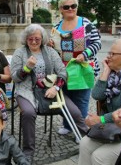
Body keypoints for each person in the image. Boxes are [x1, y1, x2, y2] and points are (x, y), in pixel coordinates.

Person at [11, 24, 87, 163]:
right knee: (28, 113)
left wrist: (56, 88)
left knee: (75, 112)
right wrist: (26, 68)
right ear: (26, 39)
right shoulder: (19, 53)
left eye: (37, 39)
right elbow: (15, 78)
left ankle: (89, 140)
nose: (34, 42)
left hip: (50, 90)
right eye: (30, 39)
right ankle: (28, 152)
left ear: (42, 39)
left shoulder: (51, 52)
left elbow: (62, 72)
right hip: (26, 90)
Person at [79, 39, 121, 165]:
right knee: (84, 144)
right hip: (110, 128)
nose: (108, 57)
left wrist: (101, 120)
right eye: (109, 53)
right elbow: (96, 95)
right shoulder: (113, 74)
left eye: (112, 54)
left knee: (99, 157)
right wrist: (105, 71)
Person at [50, 0, 102, 135]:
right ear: (61, 9)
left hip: (83, 68)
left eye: (73, 6)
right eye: (66, 7)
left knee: (81, 100)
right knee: (66, 99)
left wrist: (84, 54)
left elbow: (97, 43)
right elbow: (53, 48)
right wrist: (50, 45)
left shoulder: (86, 24)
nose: (70, 9)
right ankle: (67, 125)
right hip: (64, 70)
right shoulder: (56, 27)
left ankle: (81, 129)